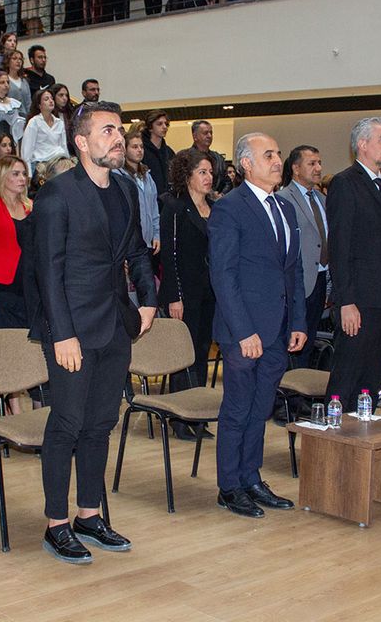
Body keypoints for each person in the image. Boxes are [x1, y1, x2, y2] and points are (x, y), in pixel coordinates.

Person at [29, 100, 156, 563]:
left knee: (101, 423)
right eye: (107, 131)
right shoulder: (57, 194)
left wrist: (149, 300)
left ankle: (89, 514)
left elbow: (137, 251)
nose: (118, 138)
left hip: (116, 323)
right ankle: (56, 524)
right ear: (81, 142)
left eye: (119, 130)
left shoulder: (124, 188)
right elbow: (48, 271)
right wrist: (62, 334)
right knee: (66, 423)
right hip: (72, 329)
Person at [209, 132, 305, 517]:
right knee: (237, 409)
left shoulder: (285, 208)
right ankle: (230, 486)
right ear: (246, 164)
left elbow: (294, 271)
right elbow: (223, 275)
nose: (277, 160)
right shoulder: (230, 208)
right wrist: (243, 331)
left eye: (278, 153)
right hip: (243, 332)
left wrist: (298, 321)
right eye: (268, 155)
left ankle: (251, 477)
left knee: (261, 408)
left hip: (278, 329)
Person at [325, 118, 381, 410]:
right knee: (347, 377)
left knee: (371, 379)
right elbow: (340, 248)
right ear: (362, 144)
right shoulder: (345, 183)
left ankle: (363, 431)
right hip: (358, 300)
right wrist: (345, 301)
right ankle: (336, 433)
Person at [159, 149, 216, 407]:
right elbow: (169, 256)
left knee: (203, 349)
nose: (208, 177)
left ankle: (198, 408)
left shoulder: (215, 208)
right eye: (202, 172)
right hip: (183, 293)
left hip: (209, 292)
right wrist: (175, 296)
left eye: (210, 172)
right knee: (184, 352)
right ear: (187, 175)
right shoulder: (174, 206)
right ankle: (179, 413)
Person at [277, 144, 328, 369]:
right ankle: (290, 387)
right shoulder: (283, 198)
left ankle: (304, 383)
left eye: (319, 163)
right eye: (312, 163)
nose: (318, 168)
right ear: (296, 169)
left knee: (310, 337)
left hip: (320, 279)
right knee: (294, 339)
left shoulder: (321, 199)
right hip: (298, 281)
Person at [0, 156, 33, 329]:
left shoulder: (30, 206)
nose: (22, 178)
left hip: (27, 284)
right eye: (16, 174)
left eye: (24, 174)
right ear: (2, 176)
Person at [114, 132, 161, 259]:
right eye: (135, 147)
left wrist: (157, 234)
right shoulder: (117, 176)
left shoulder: (147, 176)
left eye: (141, 147)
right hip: (128, 246)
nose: (140, 150)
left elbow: (154, 209)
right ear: (124, 149)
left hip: (148, 243)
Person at [20, 88, 67, 178]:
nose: (51, 101)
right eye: (46, 99)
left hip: (59, 162)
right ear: (39, 105)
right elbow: (26, 150)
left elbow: (63, 146)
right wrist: (28, 174)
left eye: (52, 98)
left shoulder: (59, 122)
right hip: (41, 164)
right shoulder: (34, 122)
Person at [139, 109, 174, 202]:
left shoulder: (169, 152)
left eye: (166, 124)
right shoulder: (141, 150)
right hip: (147, 199)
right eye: (159, 124)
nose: (164, 127)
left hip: (167, 200)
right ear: (150, 127)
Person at [189, 120, 230, 194]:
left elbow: (228, 182)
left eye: (211, 133)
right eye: (205, 133)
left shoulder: (218, 158)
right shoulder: (185, 157)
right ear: (195, 136)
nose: (209, 136)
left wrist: (221, 195)